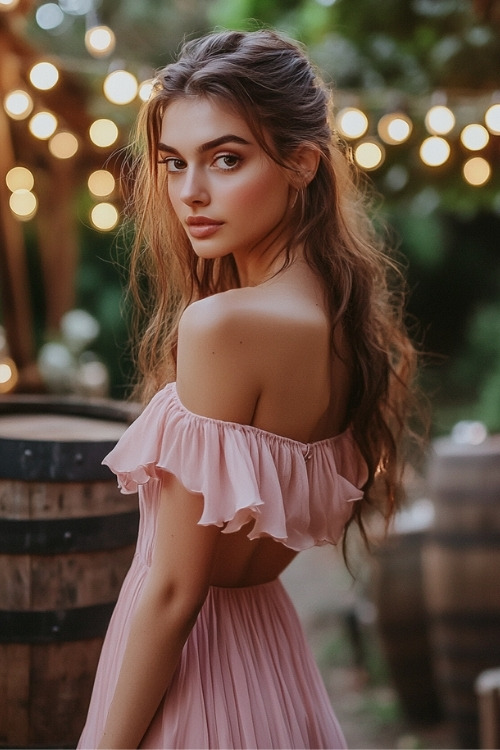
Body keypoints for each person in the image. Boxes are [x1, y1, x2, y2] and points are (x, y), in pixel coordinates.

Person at [78, 28, 418, 750]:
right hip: (275, 674)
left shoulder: (222, 325)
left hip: (195, 685)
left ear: (302, 162)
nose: (189, 194)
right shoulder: (345, 324)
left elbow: (173, 596)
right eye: (174, 164)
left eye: (225, 160)